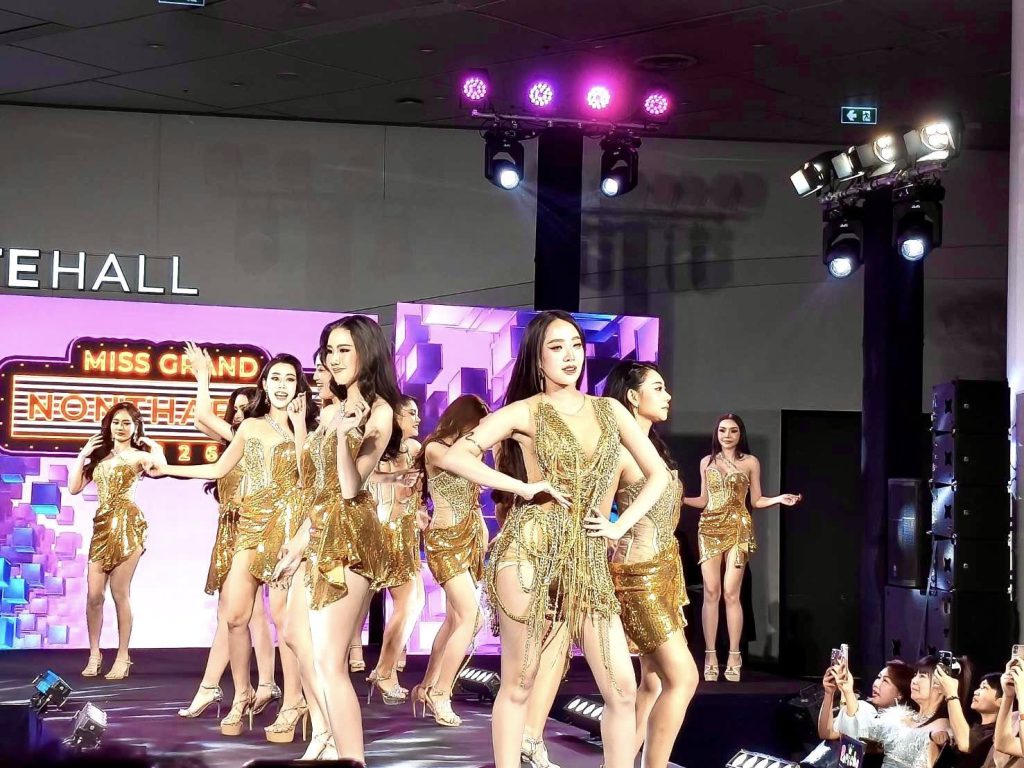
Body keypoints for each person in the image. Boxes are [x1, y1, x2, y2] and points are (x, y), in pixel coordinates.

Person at [440, 310, 671, 768]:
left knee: (623, 689)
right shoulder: (526, 410)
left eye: (576, 345)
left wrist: (619, 525)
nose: (569, 356)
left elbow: (658, 474)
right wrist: (522, 488)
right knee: (519, 683)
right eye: (556, 347)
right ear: (538, 358)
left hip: (587, 558)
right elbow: (455, 456)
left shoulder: (610, 411)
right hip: (529, 549)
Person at [150, 353, 316, 737]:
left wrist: (298, 427)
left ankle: (293, 701)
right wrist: (167, 469)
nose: (282, 385)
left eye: (289, 379)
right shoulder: (250, 426)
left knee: (285, 623)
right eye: (275, 378)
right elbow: (218, 468)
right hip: (250, 528)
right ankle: (242, 693)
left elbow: (308, 479)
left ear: (299, 387)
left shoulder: (310, 430)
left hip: (288, 531)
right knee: (235, 617)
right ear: (264, 385)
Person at [273, 315, 403, 764]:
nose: (334, 359)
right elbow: (318, 487)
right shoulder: (332, 409)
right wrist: (298, 542)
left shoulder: (380, 412)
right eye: (330, 350)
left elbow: (349, 487)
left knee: (331, 661)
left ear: (367, 352)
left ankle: (351, 757)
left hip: (350, 534)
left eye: (344, 349)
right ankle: (325, 733)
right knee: (295, 634)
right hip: (319, 529)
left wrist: (347, 434)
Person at [604, 360, 699, 768]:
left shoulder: (652, 448)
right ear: (632, 396)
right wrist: (610, 531)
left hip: (664, 574)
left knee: (654, 681)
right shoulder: (618, 452)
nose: (668, 395)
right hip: (637, 577)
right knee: (684, 677)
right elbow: (596, 509)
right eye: (657, 388)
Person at [176, 375, 279, 721]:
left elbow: (202, 416)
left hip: (253, 527)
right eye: (233, 409)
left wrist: (203, 377)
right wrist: (202, 380)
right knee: (239, 612)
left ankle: (236, 685)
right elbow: (201, 419)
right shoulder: (237, 438)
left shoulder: (253, 436)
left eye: (243, 408)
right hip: (229, 528)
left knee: (248, 612)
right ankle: (252, 685)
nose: (237, 415)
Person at [682, 413, 800, 682]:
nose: (727, 435)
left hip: (738, 528)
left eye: (733, 430)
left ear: (740, 434)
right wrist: (681, 498)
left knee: (731, 593)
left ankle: (735, 655)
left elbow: (755, 500)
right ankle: (711, 655)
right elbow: (703, 499)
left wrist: (779, 498)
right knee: (711, 592)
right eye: (722, 430)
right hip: (709, 528)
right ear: (717, 433)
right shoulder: (706, 462)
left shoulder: (750, 462)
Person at [70, 402, 164, 680]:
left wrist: (155, 448)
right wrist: (83, 455)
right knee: (94, 595)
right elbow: (74, 488)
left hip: (128, 524)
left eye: (126, 423)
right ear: (108, 426)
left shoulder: (139, 456)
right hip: (102, 526)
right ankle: (94, 654)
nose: (120, 427)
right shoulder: (100, 458)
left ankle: (123, 656)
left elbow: (159, 469)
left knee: (119, 592)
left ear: (135, 427)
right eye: (116, 422)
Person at [412, 395, 490, 727]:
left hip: (468, 540)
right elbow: (458, 465)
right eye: (476, 426)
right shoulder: (436, 449)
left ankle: (427, 686)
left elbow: (473, 499)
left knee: (455, 619)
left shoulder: (469, 452)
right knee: (472, 618)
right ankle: (441, 692)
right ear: (462, 421)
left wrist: (483, 530)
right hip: (444, 541)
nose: (479, 433)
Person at [365, 394, 426, 699]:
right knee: (407, 604)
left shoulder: (415, 449)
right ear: (396, 418)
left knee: (415, 603)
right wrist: (397, 478)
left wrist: (420, 510)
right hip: (385, 531)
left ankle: (385, 668)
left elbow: (416, 493)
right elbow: (367, 478)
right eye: (411, 413)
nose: (418, 418)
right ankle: (384, 671)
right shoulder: (377, 451)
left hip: (408, 532)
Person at [834, 655, 966, 768]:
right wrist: (848, 691)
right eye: (915, 675)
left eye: (922, 676)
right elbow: (861, 731)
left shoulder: (943, 727)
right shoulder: (900, 717)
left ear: (941, 686)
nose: (914, 681)